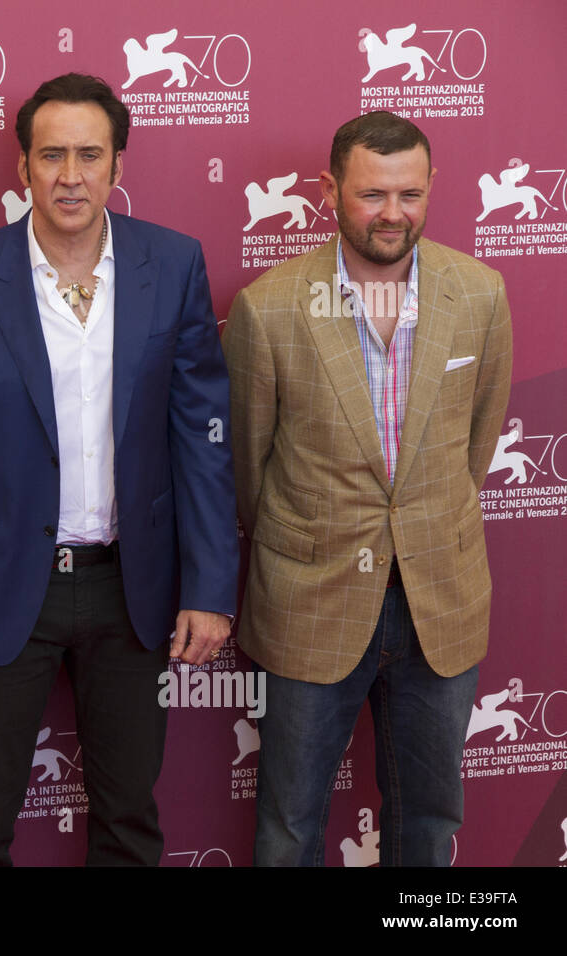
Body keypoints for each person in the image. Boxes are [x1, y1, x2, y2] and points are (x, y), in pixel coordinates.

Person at [0, 73, 238, 865]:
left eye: (90, 154)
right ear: (22, 168)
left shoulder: (175, 264)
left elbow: (204, 439)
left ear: (118, 164)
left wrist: (211, 587)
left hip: (136, 586)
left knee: (129, 821)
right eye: (50, 155)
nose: (70, 174)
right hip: (1, 587)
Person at [223, 111, 512, 866]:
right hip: (310, 599)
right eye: (372, 195)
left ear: (432, 189)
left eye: (410, 194)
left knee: (428, 824)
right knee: (290, 827)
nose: (393, 214)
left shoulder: (479, 295)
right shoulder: (270, 306)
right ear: (329, 191)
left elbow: (476, 447)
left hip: (438, 602)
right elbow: (250, 471)